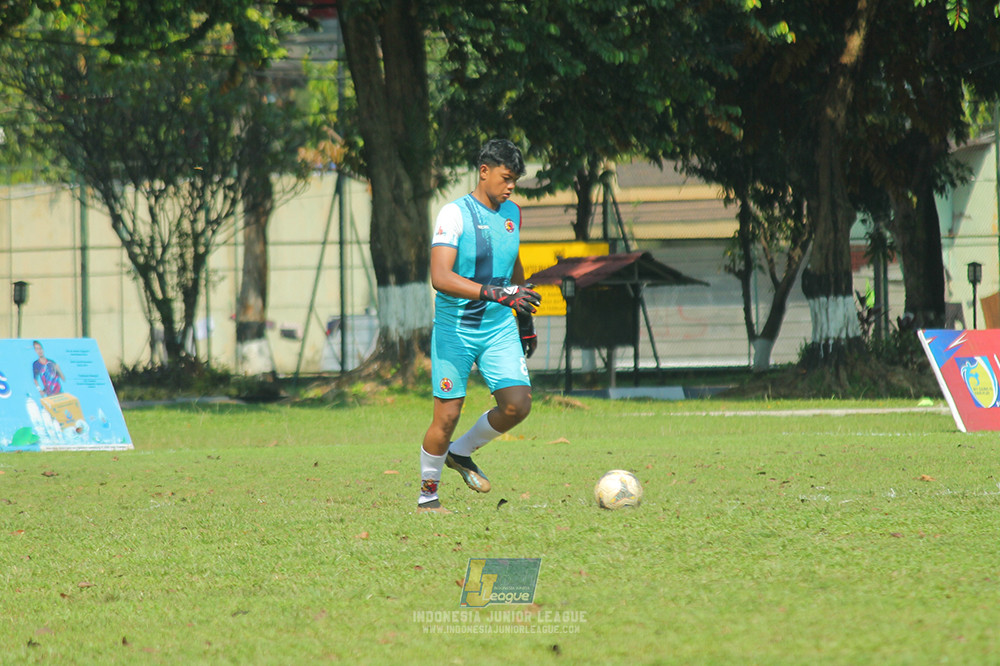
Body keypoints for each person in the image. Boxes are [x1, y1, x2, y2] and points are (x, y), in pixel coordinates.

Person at [418, 139, 541, 514]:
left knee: (517, 405)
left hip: (498, 326)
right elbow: (440, 277)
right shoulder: (453, 215)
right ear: (484, 171)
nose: (510, 187)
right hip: (455, 328)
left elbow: (513, 263)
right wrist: (495, 292)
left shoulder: (512, 214)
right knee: (447, 416)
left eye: (515, 181)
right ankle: (428, 496)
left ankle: (461, 452)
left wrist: (524, 317)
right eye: (506, 178)